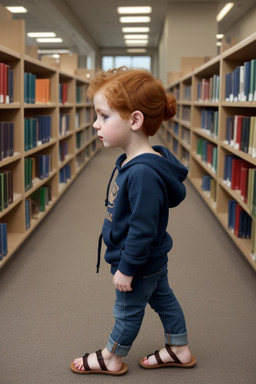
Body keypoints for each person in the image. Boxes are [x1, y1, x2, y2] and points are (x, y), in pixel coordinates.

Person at [70, 67, 196, 376]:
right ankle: (179, 348)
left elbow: (142, 229)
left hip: (138, 261)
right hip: (151, 258)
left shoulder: (142, 173)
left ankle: (111, 357)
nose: (95, 124)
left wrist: (126, 268)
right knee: (164, 299)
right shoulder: (133, 161)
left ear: (135, 120)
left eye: (104, 116)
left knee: (126, 311)